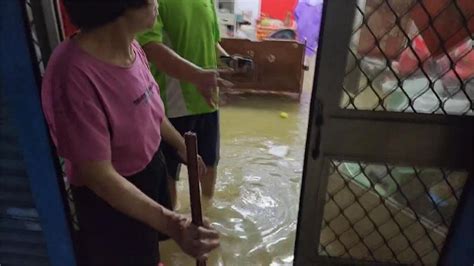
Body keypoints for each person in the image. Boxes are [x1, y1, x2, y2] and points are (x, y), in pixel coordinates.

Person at [41, 0, 219, 265]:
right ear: (119, 9)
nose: (157, 4)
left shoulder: (131, 47)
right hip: (114, 199)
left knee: (151, 248)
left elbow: (151, 111)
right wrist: (173, 223)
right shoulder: (73, 74)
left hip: (149, 168)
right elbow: (98, 175)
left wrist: (180, 144)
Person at [137, 0, 231, 210]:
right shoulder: (153, 3)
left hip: (208, 101)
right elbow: (151, 47)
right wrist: (197, 75)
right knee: (169, 171)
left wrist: (230, 63)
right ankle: (175, 220)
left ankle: (209, 210)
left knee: (209, 163)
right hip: (173, 105)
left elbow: (212, 43)